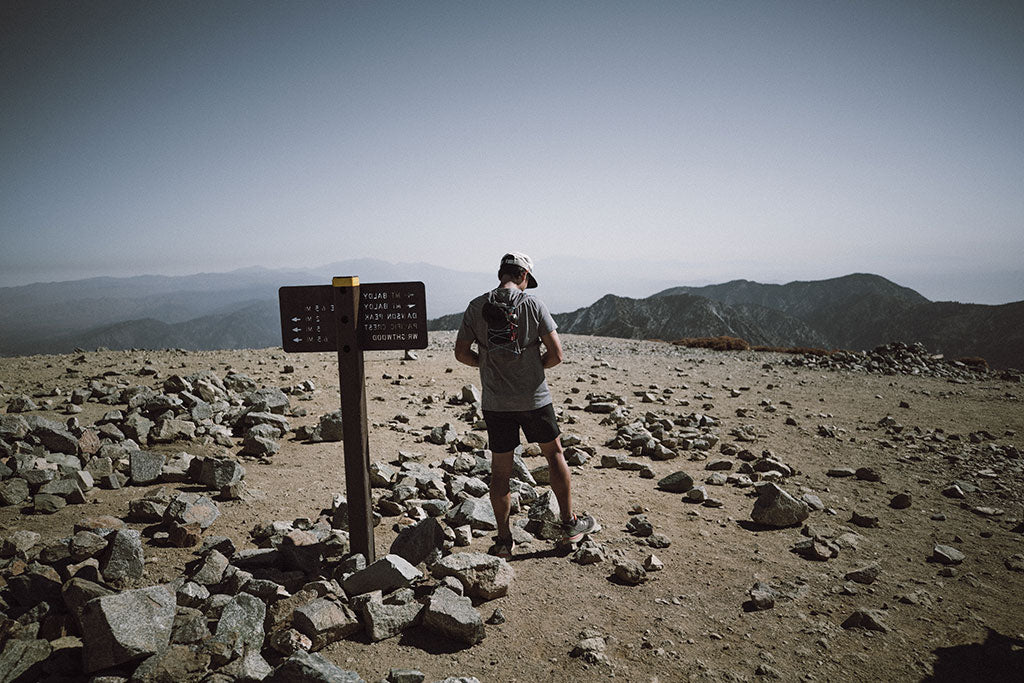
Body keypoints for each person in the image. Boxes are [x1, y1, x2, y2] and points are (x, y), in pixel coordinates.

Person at [454, 252, 596, 559]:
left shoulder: (476, 306)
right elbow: (557, 354)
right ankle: (570, 525)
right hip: (534, 399)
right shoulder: (534, 305)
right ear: (524, 277)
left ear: (501, 274)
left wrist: (488, 366)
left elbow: (461, 353)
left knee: (500, 472)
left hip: (496, 402)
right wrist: (533, 370)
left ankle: (504, 541)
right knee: (554, 454)